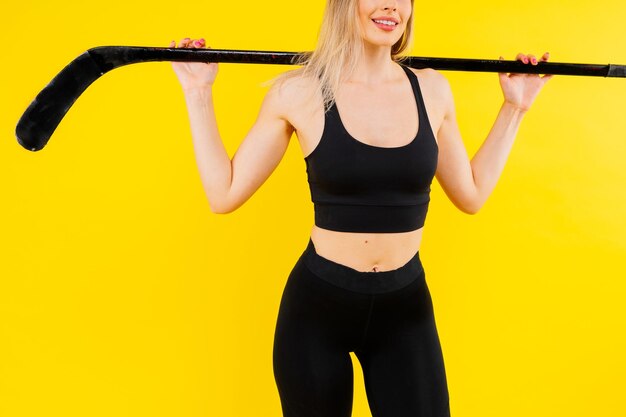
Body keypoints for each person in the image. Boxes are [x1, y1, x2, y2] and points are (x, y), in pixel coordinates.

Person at [169, 0, 552, 415]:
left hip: (404, 308)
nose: (390, 5)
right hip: (318, 310)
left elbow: (471, 195)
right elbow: (223, 194)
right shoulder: (299, 92)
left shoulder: (432, 88)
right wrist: (197, 92)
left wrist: (515, 106)